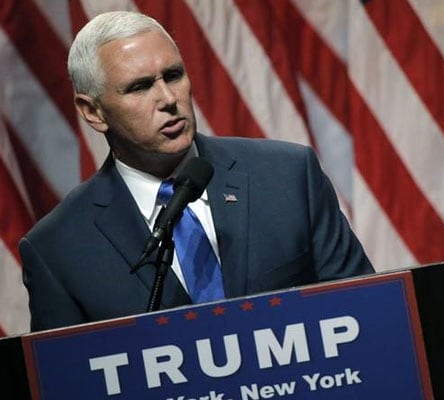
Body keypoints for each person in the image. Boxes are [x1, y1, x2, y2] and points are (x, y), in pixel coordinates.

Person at [19, 11, 374, 332]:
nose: (168, 99)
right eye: (140, 87)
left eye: (173, 76)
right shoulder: (58, 250)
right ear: (92, 112)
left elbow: (368, 313)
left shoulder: (287, 177)